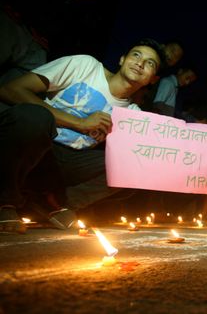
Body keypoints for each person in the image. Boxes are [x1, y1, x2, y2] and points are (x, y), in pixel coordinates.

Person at [0, 38, 167, 233]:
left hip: (66, 163)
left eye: (150, 63)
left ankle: (54, 202)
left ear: (153, 79)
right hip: (35, 142)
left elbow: (152, 154)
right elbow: (10, 90)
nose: (140, 63)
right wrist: (79, 123)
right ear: (122, 59)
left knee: (135, 166)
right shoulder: (85, 66)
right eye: (136, 55)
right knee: (35, 118)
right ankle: (5, 200)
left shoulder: (133, 115)